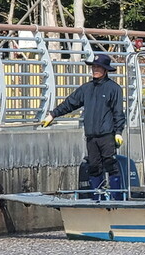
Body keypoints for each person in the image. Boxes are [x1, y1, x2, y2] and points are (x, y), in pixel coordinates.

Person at [42, 54, 126, 200]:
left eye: (99, 67)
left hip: (107, 135)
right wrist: (53, 114)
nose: (95, 70)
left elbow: (118, 112)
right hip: (91, 136)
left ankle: (117, 198)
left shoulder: (114, 89)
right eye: (94, 67)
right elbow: (70, 103)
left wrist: (118, 132)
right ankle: (96, 199)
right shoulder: (86, 88)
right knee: (94, 167)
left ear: (105, 70)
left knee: (110, 165)